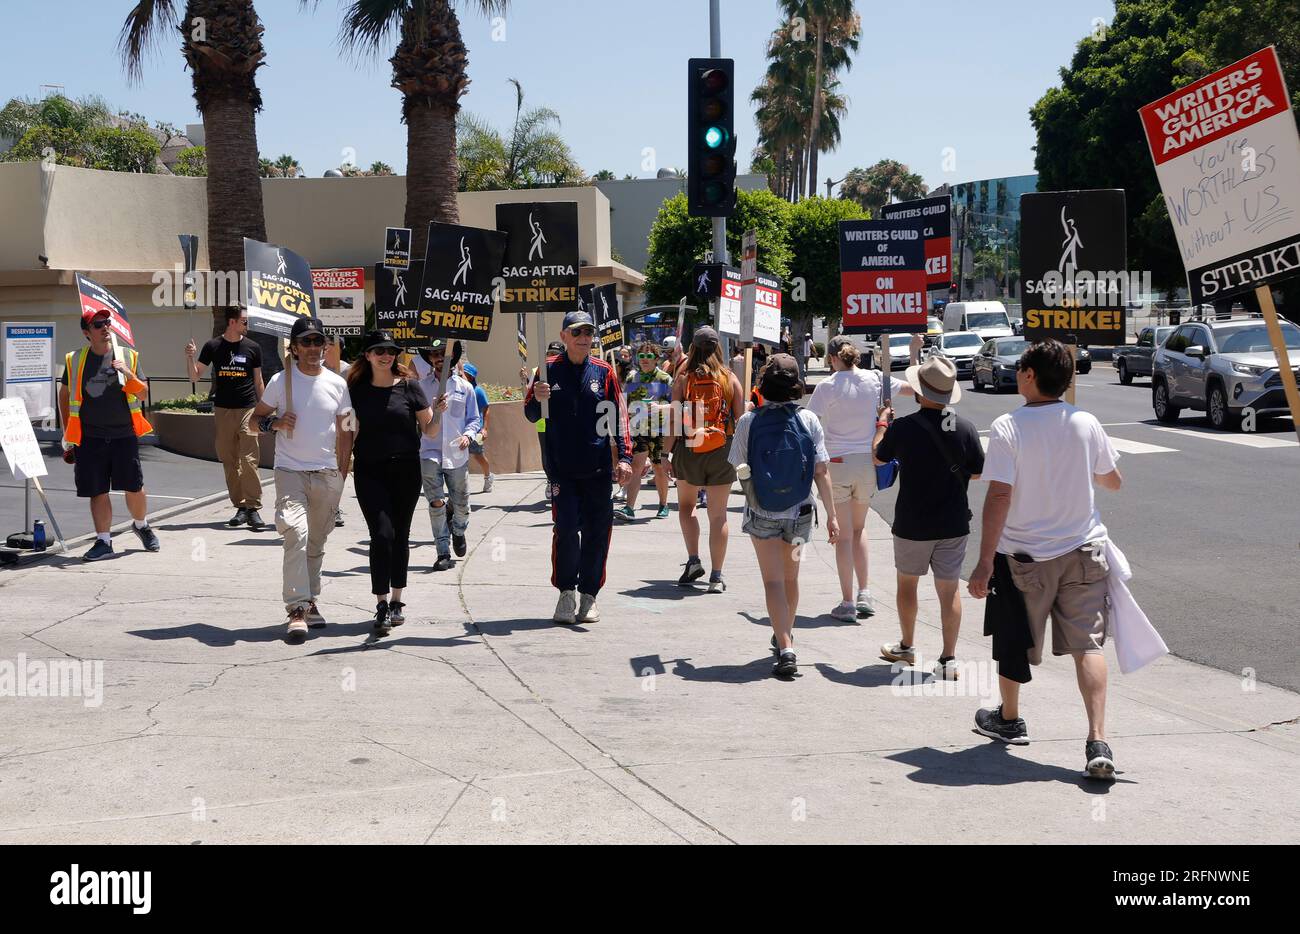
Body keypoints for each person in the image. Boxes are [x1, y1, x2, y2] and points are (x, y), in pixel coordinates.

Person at [967, 339, 1123, 780]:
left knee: (1013, 637)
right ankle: (1097, 738)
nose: (1017, 373)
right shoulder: (1086, 422)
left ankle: (1010, 718)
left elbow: (999, 494)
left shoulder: (1008, 426)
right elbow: (1112, 481)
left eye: (1020, 367)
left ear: (1031, 376)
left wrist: (982, 563)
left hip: (1024, 558)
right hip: (1083, 552)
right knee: (1087, 646)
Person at [872, 355, 984, 680]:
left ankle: (907, 645)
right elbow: (978, 471)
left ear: (920, 394)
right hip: (953, 521)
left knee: (907, 586)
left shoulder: (903, 427)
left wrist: (882, 423)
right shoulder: (964, 427)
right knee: (949, 591)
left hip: (912, 521)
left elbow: (878, 457)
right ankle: (949, 659)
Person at [729, 353, 838, 678]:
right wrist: (832, 515)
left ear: (763, 386)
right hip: (801, 513)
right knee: (791, 578)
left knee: (772, 581)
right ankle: (784, 636)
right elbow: (822, 471)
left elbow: (738, 465)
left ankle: (786, 644)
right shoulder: (809, 421)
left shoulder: (749, 421)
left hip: (762, 512)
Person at [525, 310, 632, 625]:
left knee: (598, 533)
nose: (584, 339)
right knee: (567, 530)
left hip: (598, 470)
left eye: (588, 333)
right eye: (577, 333)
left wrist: (624, 457)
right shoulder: (546, 372)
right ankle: (565, 593)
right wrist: (537, 398)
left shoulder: (604, 372)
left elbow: (619, 417)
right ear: (564, 337)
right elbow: (531, 415)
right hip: (562, 471)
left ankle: (589, 596)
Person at [252, 317, 354, 642]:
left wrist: (342, 472)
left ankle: (311, 601)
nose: (312, 348)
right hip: (290, 471)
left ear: (325, 345)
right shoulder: (281, 381)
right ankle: (296, 608)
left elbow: (346, 429)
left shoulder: (337, 384)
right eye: (305, 342)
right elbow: (254, 421)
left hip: (327, 473)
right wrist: (275, 424)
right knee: (295, 531)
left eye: (317, 341)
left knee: (316, 541)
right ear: (294, 348)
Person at [807, 335, 918, 620]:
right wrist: (915, 355)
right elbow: (912, 389)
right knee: (859, 529)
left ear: (832, 358)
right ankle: (865, 592)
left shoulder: (827, 386)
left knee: (843, 535)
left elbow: (808, 422)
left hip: (838, 464)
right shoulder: (876, 380)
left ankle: (847, 602)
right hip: (869, 462)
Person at [346, 330, 439, 633]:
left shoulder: (411, 388)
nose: (386, 356)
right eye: (378, 351)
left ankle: (397, 599)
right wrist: (340, 463)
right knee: (382, 534)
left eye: (390, 350)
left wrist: (438, 413)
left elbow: (430, 431)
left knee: (401, 535)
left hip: (406, 470)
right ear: (368, 355)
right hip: (369, 471)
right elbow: (348, 432)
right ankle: (381, 603)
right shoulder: (355, 390)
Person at [59, 309, 159, 561]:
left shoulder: (128, 356)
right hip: (90, 437)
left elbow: (144, 394)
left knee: (134, 487)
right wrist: (67, 431)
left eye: (107, 323)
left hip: (123, 434)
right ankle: (104, 541)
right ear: (86, 332)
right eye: (98, 324)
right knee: (97, 490)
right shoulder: (75, 359)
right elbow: (65, 393)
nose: (105, 327)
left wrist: (128, 373)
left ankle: (141, 524)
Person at [666, 326, 745, 593]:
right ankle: (716, 576)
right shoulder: (729, 378)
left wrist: (665, 454)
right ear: (718, 348)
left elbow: (674, 419)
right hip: (721, 449)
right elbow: (740, 420)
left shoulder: (683, 378)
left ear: (693, 348)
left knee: (687, 507)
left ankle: (693, 560)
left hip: (689, 448)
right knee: (718, 515)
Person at [185, 307, 265, 529]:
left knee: (249, 460)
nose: (248, 325)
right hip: (223, 410)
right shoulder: (213, 346)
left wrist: (265, 409)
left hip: (248, 408)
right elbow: (194, 375)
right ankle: (240, 507)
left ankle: (253, 507)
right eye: (244, 321)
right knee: (229, 460)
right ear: (232, 322)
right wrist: (189, 357)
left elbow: (258, 381)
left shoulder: (253, 347)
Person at [413, 341, 481, 572]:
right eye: (434, 354)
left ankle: (459, 530)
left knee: (461, 504)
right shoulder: (421, 386)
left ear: (451, 357)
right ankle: (442, 551)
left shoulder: (465, 388)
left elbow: (474, 419)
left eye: (443, 353)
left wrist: (468, 436)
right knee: (435, 502)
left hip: (456, 453)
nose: (438, 357)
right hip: (429, 451)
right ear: (429, 358)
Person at [615, 341, 672, 521]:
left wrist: (660, 407)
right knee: (636, 467)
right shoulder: (632, 378)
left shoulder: (665, 379)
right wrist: (629, 411)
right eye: (642, 356)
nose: (645, 360)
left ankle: (663, 504)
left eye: (649, 356)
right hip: (638, 429)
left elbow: (678, 404)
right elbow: (624, 403)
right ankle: (629, 508)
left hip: (659, 429)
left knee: (658, 467)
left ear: (656, 359)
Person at [462, 362, 494, 493]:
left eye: (463, 373)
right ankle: (461, 486)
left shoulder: (478, 391)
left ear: (470, 376)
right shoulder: (459, 388)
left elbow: (486, 409)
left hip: (475, 430)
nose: (459, 375)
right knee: (460, 458)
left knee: (478, 455)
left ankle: (488, 476)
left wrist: (484, 428)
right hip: (460, 430)